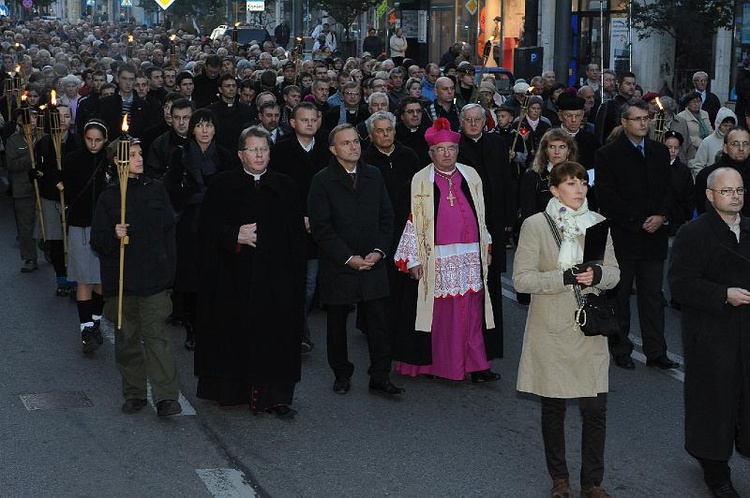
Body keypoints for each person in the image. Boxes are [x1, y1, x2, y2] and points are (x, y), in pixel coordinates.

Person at [513, 161, 620, 498]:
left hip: (589, 329)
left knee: (595, 409)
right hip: (552, 328)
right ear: (555, 190)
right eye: (570, 184)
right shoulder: (535, 225)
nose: (578, 190)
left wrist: (597, 276)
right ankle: (559, 479)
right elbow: (521, 279)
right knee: (554, 407)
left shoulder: (598, 224)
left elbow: (615, 272)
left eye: (582, 183)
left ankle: (592, 482)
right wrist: (564, 277)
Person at [194, 126, 305, 418]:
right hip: (233, 278)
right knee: (234, 334)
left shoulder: (285, 186)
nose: (259, 155)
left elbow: (297, 237)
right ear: (241, 154)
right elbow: (205, 229)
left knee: (275, 337)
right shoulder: (222, 185)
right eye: (253, 149)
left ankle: (275, 397)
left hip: (275, 279)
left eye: (264, 149)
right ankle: (233, 392)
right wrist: (234, 236)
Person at [392, 117, 500, 382]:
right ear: (431, 153)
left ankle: (476, 364)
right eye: (440, 149)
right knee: (440, 315)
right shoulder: (419, 181)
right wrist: (413, 259)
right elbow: (411, 222)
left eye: (451, 148)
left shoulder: (470, 175)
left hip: (470, 255)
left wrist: (485, 244)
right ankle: (440, 365)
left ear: (457, 150)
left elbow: (481, 214)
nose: (446, 153)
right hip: (436, 257)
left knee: (473, 312)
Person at [669, 167, 750, 498]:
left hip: (747, 331)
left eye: (739, 190)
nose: (735, 196)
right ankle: (716, 471)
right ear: (710, 195)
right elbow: (680, 285)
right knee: (713, 403)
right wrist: (722, 294)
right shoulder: (693, 233)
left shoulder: (749, 228)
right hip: (711, 332)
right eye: (727, 191)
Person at [307, 123, 403, 397]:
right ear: (333, 149)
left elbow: (387, 217)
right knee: (337, 323)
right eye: (346, 143)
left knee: (379, 323)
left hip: (373, 261)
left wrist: (379, 252)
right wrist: (348, 258)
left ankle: (380, 376)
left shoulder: (373, 174)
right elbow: (321, 228)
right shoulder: (322, 180)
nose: (354, 146)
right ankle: (341, 374)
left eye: (356, 142)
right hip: (340, 265)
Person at [90, 137, 182, 418]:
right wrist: (113, 235)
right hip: (122, 282)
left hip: (153, 278)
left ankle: (166, 397)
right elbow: (98, 240)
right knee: (127, 339)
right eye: (132, 155)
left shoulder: (156, 189)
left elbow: (169, 232)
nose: (140, 159)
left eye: (140, 153)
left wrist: (169, 271)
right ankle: (134, 392)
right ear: (118, 162)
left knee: (157, 338)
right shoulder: (109, 196)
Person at [595, 100, 679, 370]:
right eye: (637, 119)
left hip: (654, 237)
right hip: (624, 235)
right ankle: (620, 348)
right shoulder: (608, 154)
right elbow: (606, 196)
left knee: (653, 296)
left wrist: (662, 216)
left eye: (647, 118)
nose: (644, 123)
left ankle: (656, 351)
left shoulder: (658, 151)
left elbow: (669, 189)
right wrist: (637, 220)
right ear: (624, 122)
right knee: (619, 296)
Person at [163, 108, 236, 351]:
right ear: (192, 129)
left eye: (209, 125)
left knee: (216, 276)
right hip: (189, 225)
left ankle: (214, 325)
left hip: (218, 225)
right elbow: (171, 189)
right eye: (200, 125)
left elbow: (230, 191)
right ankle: (191, 327)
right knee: (191, 279)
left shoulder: (225, 157)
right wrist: (194, 198)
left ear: (215, 128)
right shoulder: (180, 155)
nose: (204, 131)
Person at [269, 102, 332, 354]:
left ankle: (298, 327)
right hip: (288, 227)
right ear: (293, 123)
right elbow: (276, 190)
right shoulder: (281, 150)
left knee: (309, 285)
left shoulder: (327, 150)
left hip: (317, 229)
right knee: (290, 282)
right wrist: (297, 217)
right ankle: (294, 331)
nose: (309, 123)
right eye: (303, 120)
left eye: (313, 119)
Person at [61, 119, 109, 353]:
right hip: (80, 224)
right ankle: (86, 328)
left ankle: (96, 320)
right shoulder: (72, 160)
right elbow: (64, 189)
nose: (93, 144)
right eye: (89, 139)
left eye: (98, 140)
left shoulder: (110, 161)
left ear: (105, 140)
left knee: (101, 279)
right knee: (84, 279)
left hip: (104, 227)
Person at [694, 127, 750, 218]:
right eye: (735, 144)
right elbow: (703, 212)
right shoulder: (707, 176)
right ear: (725, 147)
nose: (741, 148)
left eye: (745, 144)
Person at [689, 107, 736, 179]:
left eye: (730, 126)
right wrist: (705, 181)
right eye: (725, 125)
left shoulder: (737, 142)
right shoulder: (707, 142)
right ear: (718, 124)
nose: (727, 128)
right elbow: (698, 165)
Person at [594, 71, 636, 145]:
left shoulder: (636, 106)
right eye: (628, 84)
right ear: (619, 85)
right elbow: (600, 133)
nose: (632, 87)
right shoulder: (609, 105)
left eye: (633, 84)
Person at [677, 91, 713, 163]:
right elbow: (684, 136)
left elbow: (710, 130)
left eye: (699, 101)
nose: (697, 104)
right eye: (693, 102)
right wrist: (701, 143)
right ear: (687, 103)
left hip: (707, 149)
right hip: (692, 151)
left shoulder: (705, 114)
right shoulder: (681, 116)